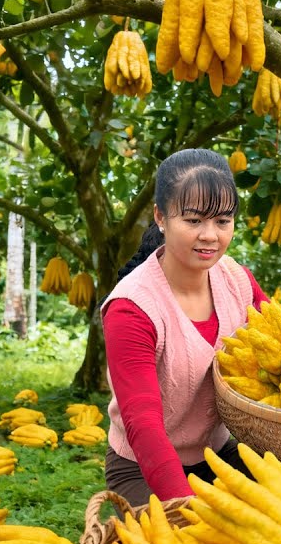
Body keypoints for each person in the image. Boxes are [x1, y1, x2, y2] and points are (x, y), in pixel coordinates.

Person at [101, 148, 268, 506]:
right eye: (193, 221)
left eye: (223, 221)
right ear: (161, 217)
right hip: (143, 469)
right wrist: (187, 507)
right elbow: (143, 424)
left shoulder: (237, 281)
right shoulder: (132, 308)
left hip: (218, 456)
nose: (210, 235)